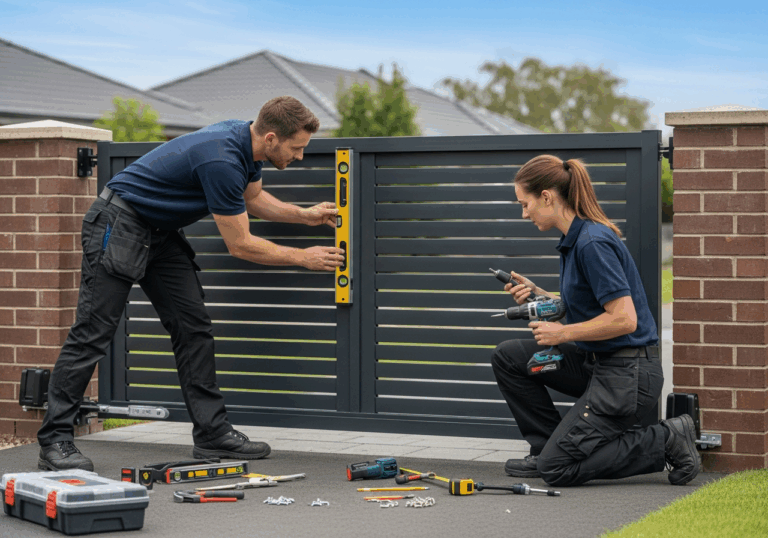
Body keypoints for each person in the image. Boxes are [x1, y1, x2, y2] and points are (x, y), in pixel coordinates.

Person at [37, 96, 345, 471]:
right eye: (296, 148)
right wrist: (303, 257)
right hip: (118, 224)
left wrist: (304, 216)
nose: (299, 156)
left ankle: (212, 433)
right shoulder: (222, 159)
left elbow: (253, 198)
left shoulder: (246, 147)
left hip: (159, 232)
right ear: (270, 137)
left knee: (192, 327)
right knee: (93, 331)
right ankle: (55, 441)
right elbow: (241, 245)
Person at [491, 155, 700, 487]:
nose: (524, 212)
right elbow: (581, 306)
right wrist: (536, 295)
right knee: (509, 356)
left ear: (546, 197)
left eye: (525, 203)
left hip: (628, 378)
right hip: (598, 366)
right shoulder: (575, 242)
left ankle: (666, 439)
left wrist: (563, 333)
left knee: (556, 471)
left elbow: (625, 320)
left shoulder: (592, 243)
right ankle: (548, 449)